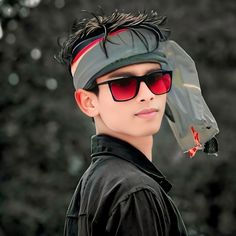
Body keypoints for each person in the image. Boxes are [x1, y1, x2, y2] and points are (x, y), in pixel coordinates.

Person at [57, 10, 195, 236]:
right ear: (89, 102)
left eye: (155, 79)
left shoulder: (94, 184)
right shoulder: (134, 191)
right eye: (124, 84)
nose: (147, 94)